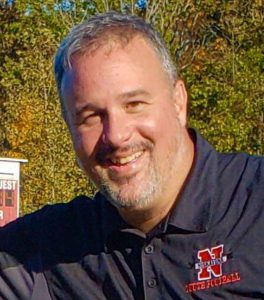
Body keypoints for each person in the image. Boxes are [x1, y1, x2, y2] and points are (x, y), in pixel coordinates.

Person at [0, 11, 263, 300]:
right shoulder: (45, 253)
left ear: (179, 102)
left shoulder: (253, 206)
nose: (116, 135)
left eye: (134, 104)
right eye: (91, 116)